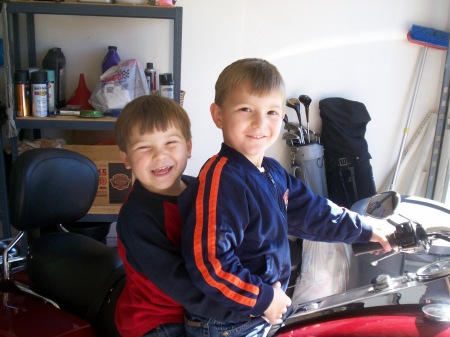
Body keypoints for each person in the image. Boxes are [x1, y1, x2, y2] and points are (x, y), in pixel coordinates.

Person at [179, 58, 393, 337]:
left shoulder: (271, 171)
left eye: (271, 112)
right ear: (218, 115)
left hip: (258, 311)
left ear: (282, 117)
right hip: (228, 324)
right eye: (246, 109)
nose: (260, 122)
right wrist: (263, 298)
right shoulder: (223, 179)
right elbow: (211, 263)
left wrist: (365, 228)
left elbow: (312, 212)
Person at [114, 95, 245, 337]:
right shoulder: (137, 217)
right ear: (126, 158)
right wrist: (240, 310)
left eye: (170, 143)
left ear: (189, 147)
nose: (159, 155)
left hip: (200, 309)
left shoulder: (202, 189)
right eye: (144, 147)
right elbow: (179, 282)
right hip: (158, 319)